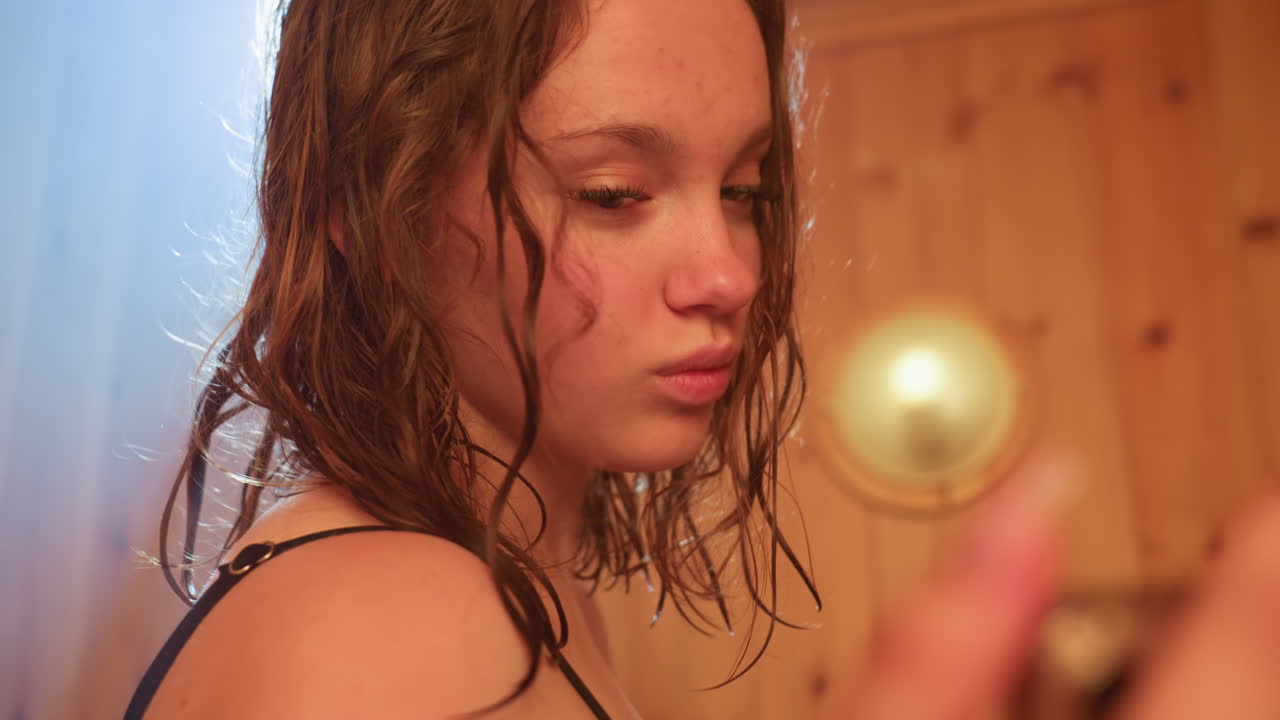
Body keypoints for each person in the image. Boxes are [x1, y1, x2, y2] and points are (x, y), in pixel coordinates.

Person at [125, 0, 1280, 718]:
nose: (727, 270)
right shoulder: (393, 622)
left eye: (743, 191)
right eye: (612, 193)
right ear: (361, 206)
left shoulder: (492, 594)